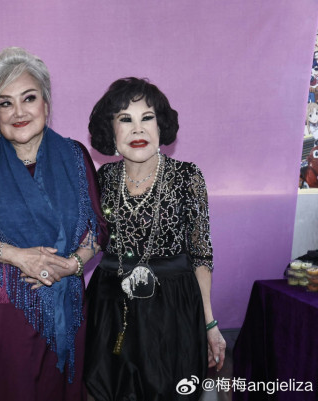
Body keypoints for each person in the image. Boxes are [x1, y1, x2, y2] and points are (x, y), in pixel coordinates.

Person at [0, 47, 107, 401]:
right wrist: (21, 258)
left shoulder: (74, 155)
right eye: (5, 103)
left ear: (46, 104)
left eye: (29, 98)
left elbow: (97, 228)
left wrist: (73, 264)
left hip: (67, 303)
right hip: (6, 307)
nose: (19, 112)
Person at [84, 77, 226, 400]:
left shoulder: (187, 177)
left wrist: (209, 323)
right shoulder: (103, 177)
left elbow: (201, 254)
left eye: (147, 118)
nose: (138, 129)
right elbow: (92, 239)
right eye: (125, 119)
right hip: (111, 309)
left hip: (172, 311)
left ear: (160, 126)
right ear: (111, 131)